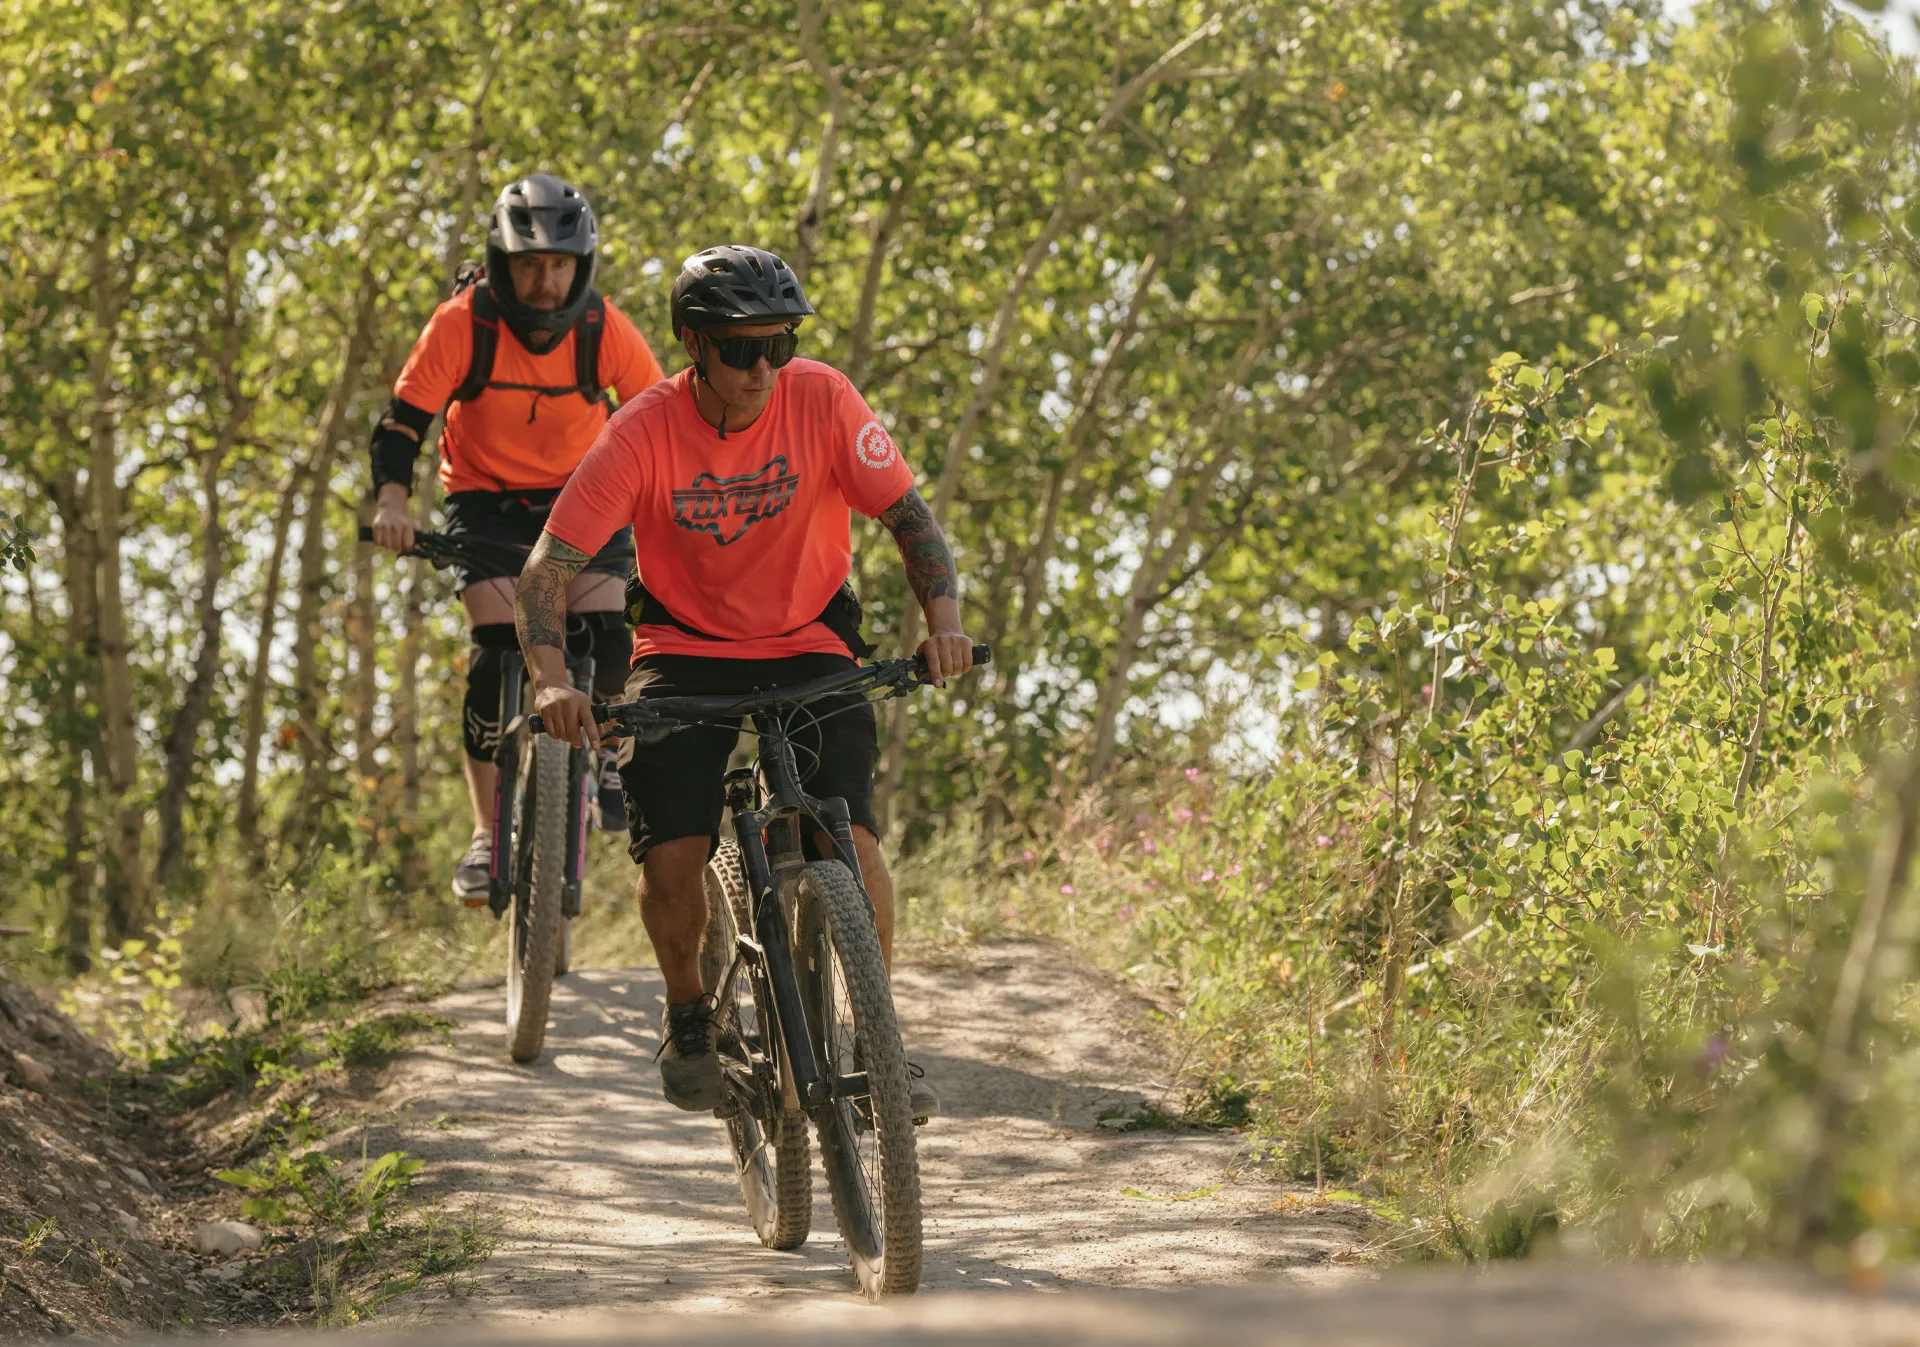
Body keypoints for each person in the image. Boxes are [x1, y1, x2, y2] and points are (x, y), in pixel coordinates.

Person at [513, 245, 971, 1121]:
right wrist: (548, 680)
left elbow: (911, 519)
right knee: (674, 849)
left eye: (779, 344)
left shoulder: (825, 397)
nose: (763, 369)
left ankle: (877, 1036)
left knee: (852, 838)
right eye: (740, 349)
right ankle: (689, 1012)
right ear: (693, 344)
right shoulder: (643, 430)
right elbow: (546, 571)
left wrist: (943, 624)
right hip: (683, 647)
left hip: (811, 638)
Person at [367, 174, 665, 902]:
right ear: (501, 263)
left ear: (581, 264)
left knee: (607, 624)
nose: (544, 279)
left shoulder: (604, 329)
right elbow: (403, 424)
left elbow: (661, 421)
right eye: (528, 263)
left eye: (559, 263)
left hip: (584, 500)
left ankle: (615, 759)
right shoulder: (461, 324)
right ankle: (482, 830)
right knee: (495, 646)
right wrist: (394, 502)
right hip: (486, 501)